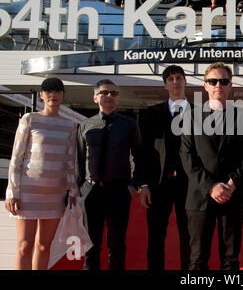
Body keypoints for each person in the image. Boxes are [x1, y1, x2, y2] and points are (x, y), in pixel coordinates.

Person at [179, 62, 243, 270]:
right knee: (197, 259)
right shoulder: (189, 117)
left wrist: (231, 184)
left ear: (230, 85)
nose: (218, 85)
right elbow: (187, 157)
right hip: (199, 198)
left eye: (223, 81)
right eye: (213, 81)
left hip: (232, 197)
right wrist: (211, 186)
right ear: (205, 85)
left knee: (230, 260)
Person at [5, 77, 77, 270]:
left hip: (55, 195)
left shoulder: (70, 125)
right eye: (49, 91)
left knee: (44, 246)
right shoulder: (29, 119)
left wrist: (72, 191)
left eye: (58, 91)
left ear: (63, 96)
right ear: (42, 96)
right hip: (27, 194)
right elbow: (17, 157)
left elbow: (70, 162)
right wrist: (12, 192)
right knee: (24, 245)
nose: (53, 95)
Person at [76, 79, 141, 270]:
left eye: (114, 93)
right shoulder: (85, 125)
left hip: (119, 191)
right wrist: (80, 188)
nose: (109, 96)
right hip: (91, 191)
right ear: (95, 97)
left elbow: (140, 156)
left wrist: (133, 184)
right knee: (91, 245)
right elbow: (78, 160)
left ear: (118, 98)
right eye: (104, 93)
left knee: (117, 244)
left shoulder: (129, 125)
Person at [139, 65, 191, 270]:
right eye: (170, 79)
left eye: (179, 78)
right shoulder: (151, 114)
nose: (175, 82)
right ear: (165, 85)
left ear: (185, 81)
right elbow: (143, 152)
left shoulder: (201, 114)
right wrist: (143, 184)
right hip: (158, 185)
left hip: (189, 187)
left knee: (189, 239)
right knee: (155, 239)